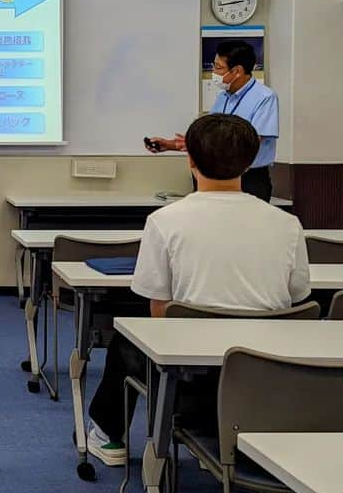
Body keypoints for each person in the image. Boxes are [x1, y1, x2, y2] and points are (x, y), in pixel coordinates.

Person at [88, 114, 310, 467]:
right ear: (251, 161)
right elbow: (299, 298)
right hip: (270, 370)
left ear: (190, 159)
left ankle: (108, 436)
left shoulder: (164, 221)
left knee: (126, 340)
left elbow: (158, 310)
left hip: (191, 374)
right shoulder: (287, 224)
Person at [146, 40, 278, 202]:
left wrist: (202, 144)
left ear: (237, 71)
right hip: (214, 177)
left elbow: (249, 144)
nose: (213, 72)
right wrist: (170, 145)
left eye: (218, 67)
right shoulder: (223, 97)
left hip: (249, 179)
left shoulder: (264, 97)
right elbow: (211, 138)